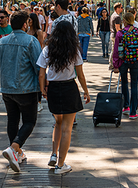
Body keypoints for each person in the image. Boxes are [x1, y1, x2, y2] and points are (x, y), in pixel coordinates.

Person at [37, 20, 90, 175]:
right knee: (67, 127)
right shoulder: (74, 51)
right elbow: (80, 75)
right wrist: (86, 91)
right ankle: (60, 165)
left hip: (53, 88)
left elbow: (41, 73)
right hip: (69, 87)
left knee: (57, 123)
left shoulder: (47, 50)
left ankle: (54, 154)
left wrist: (42, 90)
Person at [0, 11, 43, 173]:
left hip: (7, 89)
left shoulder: (1, 43)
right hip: (27, 88)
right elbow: (38, 66)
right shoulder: (31, 41)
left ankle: (16, 152)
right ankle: (14, 148)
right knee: (29, 121)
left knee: (12, 120)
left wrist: (1, 81)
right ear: (24, 24)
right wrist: (43, 86)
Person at [112, 11, 138, 119]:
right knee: (134, 85)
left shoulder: (120, 33)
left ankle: (126, 106)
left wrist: (115, 64)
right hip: (136, 60)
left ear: (124, 21)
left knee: (124, 83)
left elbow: (116, 50)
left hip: (124, 61)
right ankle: (133, 112)